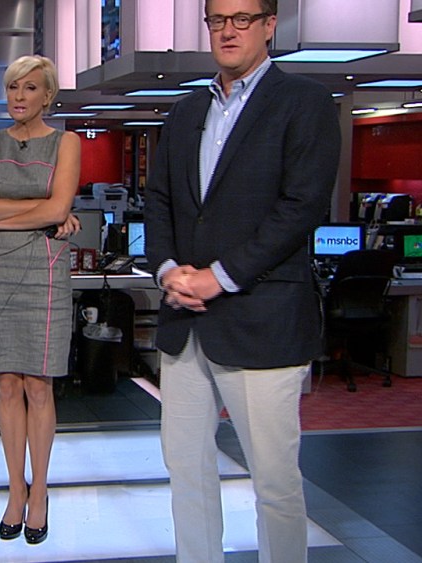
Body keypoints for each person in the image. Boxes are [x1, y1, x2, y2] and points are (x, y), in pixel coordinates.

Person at [143, 1, 340, 561]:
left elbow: (301, 207)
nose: (228, 31)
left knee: (274, 484)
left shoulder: (303, 103)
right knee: (187, 472)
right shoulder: (186, 110)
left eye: (242, 19)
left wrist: (219, 277)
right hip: (185, 322)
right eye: (217, 20)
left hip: (263, 320)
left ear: (270, 25)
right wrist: (168, 270)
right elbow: (158, 201)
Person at [0, 55, 81, 545]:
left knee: (39, 384)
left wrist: (10, 212)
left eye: (30, 88)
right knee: (7, 383)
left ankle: (40, 493)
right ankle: (16, 489)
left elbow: (60, 207)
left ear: (47, 95)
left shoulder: (66, 143)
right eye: (13, 87)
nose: (19, 96)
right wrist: (43, 209)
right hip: (0, 265)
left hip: (45, 268)